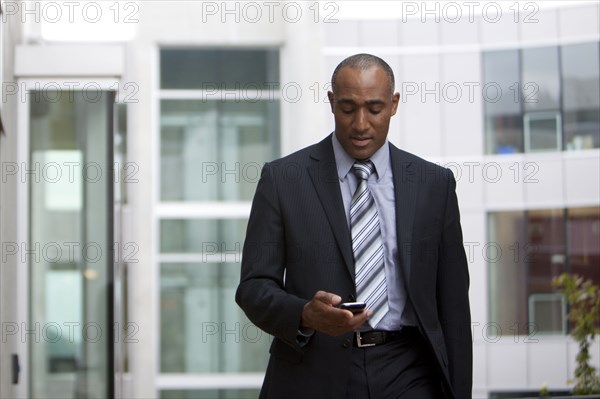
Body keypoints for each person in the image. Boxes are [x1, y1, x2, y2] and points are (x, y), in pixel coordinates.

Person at [236, 53, 472, 399]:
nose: (361, 124)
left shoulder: (433, 184)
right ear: (331, 103)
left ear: (393, 104)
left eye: (374, 109)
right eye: (348, 109)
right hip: (313, 371)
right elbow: (253, 288)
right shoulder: (283, 179)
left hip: (410, 370)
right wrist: (305, 314)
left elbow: (453, 304)